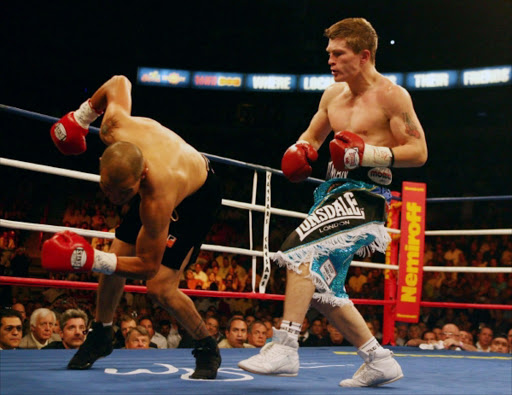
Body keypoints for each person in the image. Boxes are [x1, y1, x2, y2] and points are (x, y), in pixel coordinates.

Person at [238, 17, 427, 388]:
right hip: (330, 193)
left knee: (298, 248)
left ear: (364, 55)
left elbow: (418, 151)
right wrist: (299, 151)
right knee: (323, 291)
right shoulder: (331, 96)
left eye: (338, 53)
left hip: (367, 195)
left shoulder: (393, 96)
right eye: (329, 53)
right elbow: (310, 137)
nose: (330, 60)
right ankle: (378, 359)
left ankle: (286, 345)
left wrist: (369, 153)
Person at [42, 75, 222, 379]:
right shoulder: (113, 127)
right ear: (102, 163)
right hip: (155, 172)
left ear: (141, 179)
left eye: (123, 194)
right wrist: (83, 117)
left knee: (160, 288)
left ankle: (206, 345)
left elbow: (148, 266)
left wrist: (90, 259)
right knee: (116, 257)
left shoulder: (158, 196)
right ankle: (101, 333)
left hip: (197, 195)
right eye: (108, 190)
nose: (114, 199)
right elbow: (118, 82)